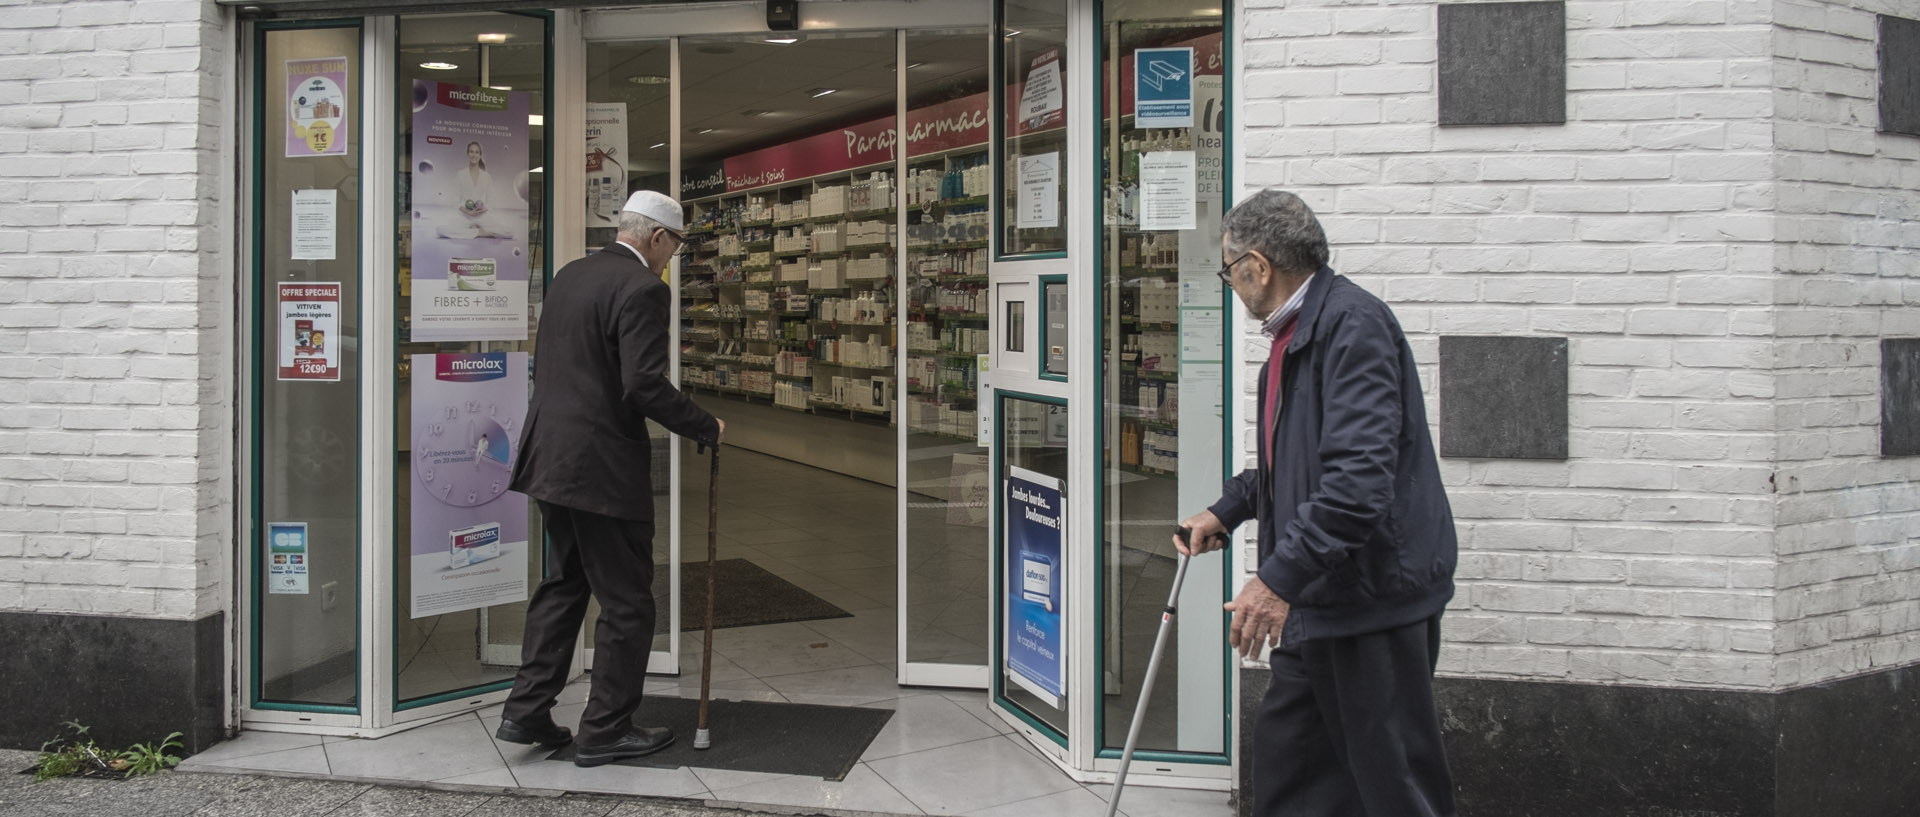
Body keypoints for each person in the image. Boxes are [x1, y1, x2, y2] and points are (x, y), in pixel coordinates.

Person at [1175, 189, 1458, 817]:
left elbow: (1357, 484)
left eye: (1228, 270)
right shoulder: (1297, 333)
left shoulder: (1351, 326)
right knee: (1291, 769)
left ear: (1257, 265)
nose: (1230, 284)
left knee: (1392, 782)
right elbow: (1294, 463)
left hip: (1367, 604)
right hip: (1319, 598)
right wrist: (1227, 508)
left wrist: (1275, 580)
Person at [496, 190, 724, 767]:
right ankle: (605, 729)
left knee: (565, 583)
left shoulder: (571, 275)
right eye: (673, 245)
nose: (672, 257)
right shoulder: (645, 288)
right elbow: (641, 385)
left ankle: (526, 709)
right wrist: (706, 425)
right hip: (599, 469)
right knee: (627, 603)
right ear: (654, 238)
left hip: (549, 459)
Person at [439, 141, 515, 239]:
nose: (474, 155)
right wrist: (468, 212)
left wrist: (481, 210)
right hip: (465, 216)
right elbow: (455, 201)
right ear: (467, 154)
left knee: (510, 232)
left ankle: (473, 230)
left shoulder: (486, 176)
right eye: (471, 152)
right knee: (441, 230)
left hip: (481, 215)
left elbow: (491, 201)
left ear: (480, 155)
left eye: (476, 152)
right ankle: (479, 232)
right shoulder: (460, 174)